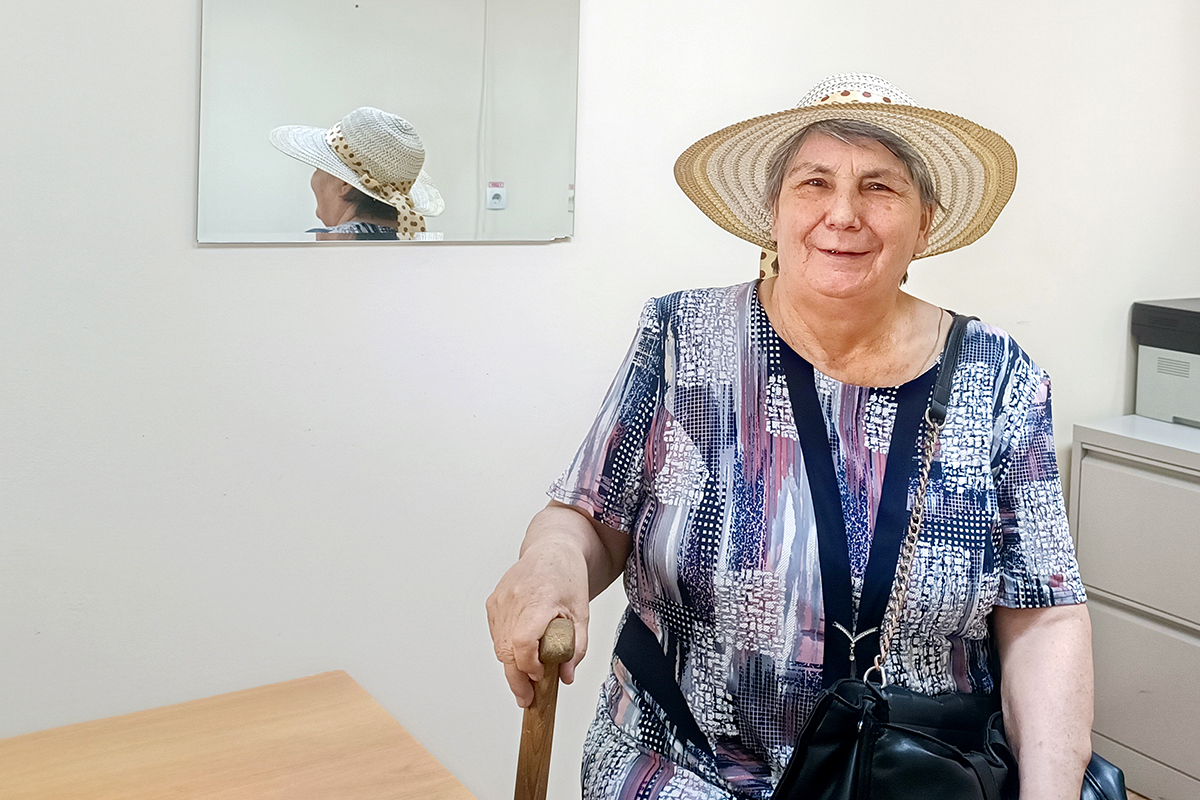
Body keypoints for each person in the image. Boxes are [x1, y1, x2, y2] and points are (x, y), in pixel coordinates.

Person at [487, 73, 1093, 799]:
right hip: (685, 763)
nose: (843, 214)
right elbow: (588, 518)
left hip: (915, 773)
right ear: (773, 210)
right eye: (814, 182)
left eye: (880, 187)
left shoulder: (1000, 378)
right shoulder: (683, 337)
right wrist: (552, 562)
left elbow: (1046, 613)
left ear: (924, 223)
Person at [269, 107, 444, 240]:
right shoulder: (422, 252)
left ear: (345, 184)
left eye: (318, 169)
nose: (314, 178)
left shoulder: (319, 249)